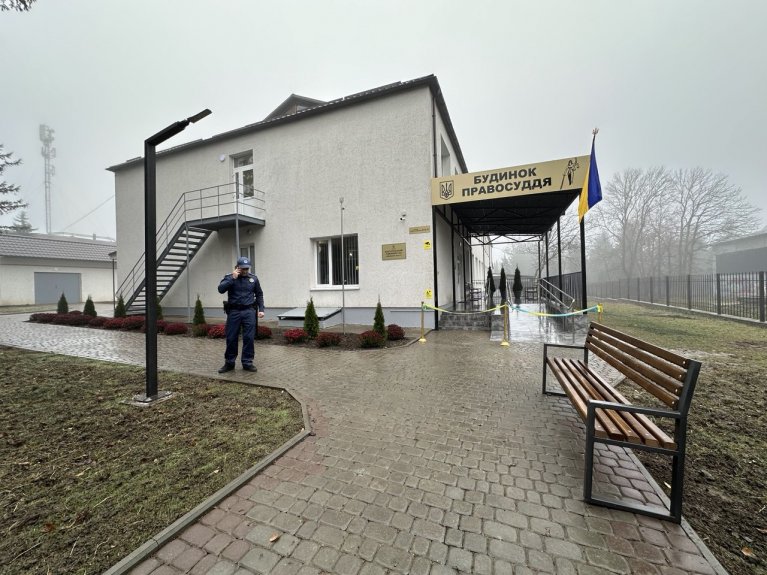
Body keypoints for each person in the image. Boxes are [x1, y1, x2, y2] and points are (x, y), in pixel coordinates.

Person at [217, 256, 265, 373]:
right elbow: (220, 289)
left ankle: (247, 362)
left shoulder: (253, 279)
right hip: (234, 311)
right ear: (237, 267)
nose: (245, 271)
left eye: (247, 268)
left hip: (249, 311)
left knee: (249, 338)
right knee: (231, 337)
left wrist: (261, 309)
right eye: (243, 268)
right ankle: (229, 363)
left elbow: (259, 294)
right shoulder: (229, 277)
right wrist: (232, 279)